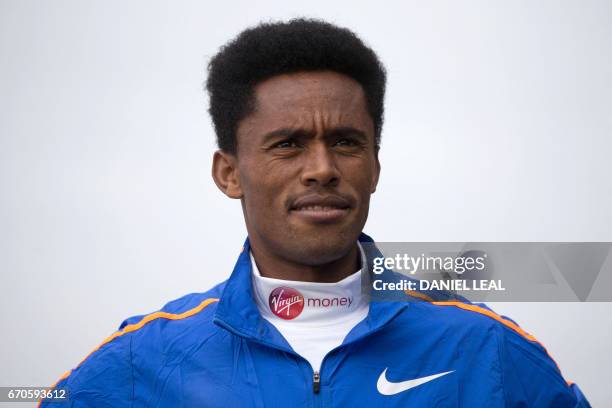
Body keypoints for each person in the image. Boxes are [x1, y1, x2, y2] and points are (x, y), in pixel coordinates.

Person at [40, 18, 590, 407]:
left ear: (375, 166)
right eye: (288, 144)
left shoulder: (487, 349)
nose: (322, 168)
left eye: (347, 142)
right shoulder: (141, 361)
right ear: (228, 173)